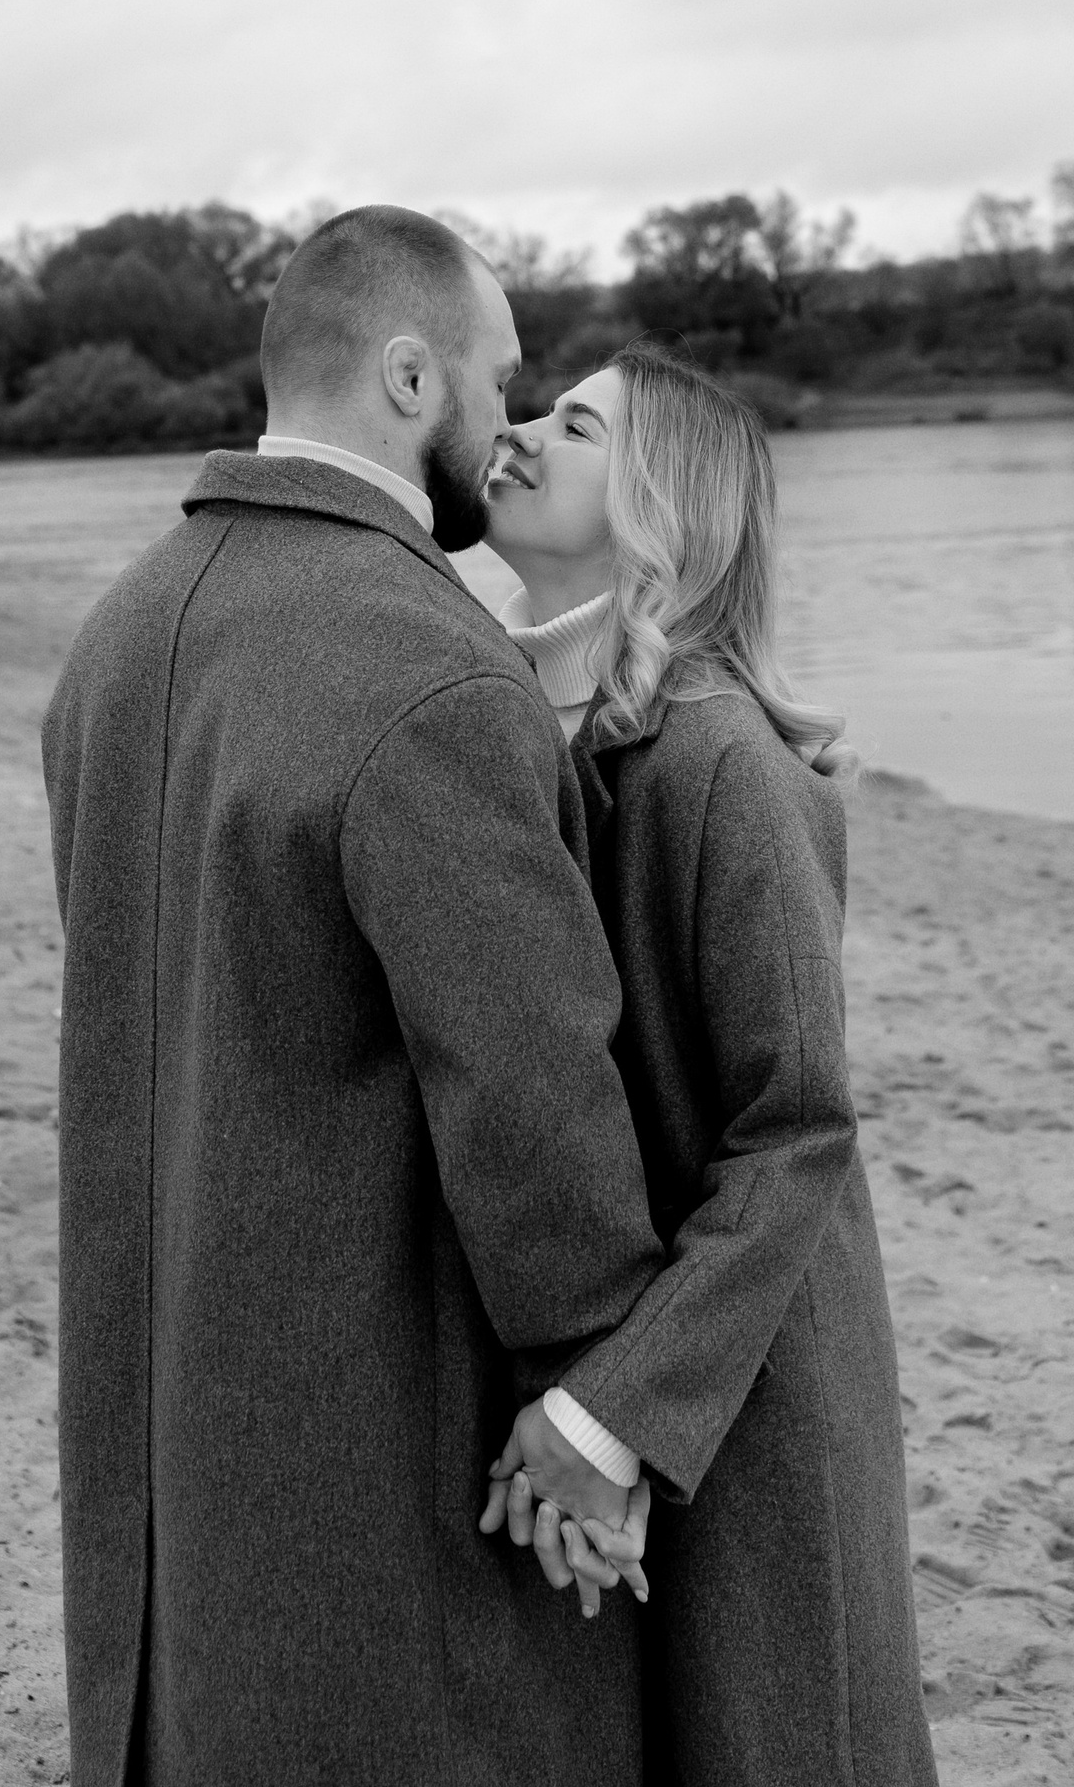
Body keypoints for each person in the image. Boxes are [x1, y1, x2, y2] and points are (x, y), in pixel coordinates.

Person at [44, 209, 670, 1785]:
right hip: (371, 1468)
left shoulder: (114, 638)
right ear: (408, 376)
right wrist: (598, 1394)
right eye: (497, 377)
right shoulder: (432, 669)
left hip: (162, 1457)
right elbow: (532, 1096)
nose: (506, 421)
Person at [478, 342, 941, 1787]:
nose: (515, 434)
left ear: (659, 511)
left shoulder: (722, 762)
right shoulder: (532, 729)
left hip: (750, 1382)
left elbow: (797, 1130)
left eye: (572, 427)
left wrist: (612, 1409)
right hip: (631, 1357)